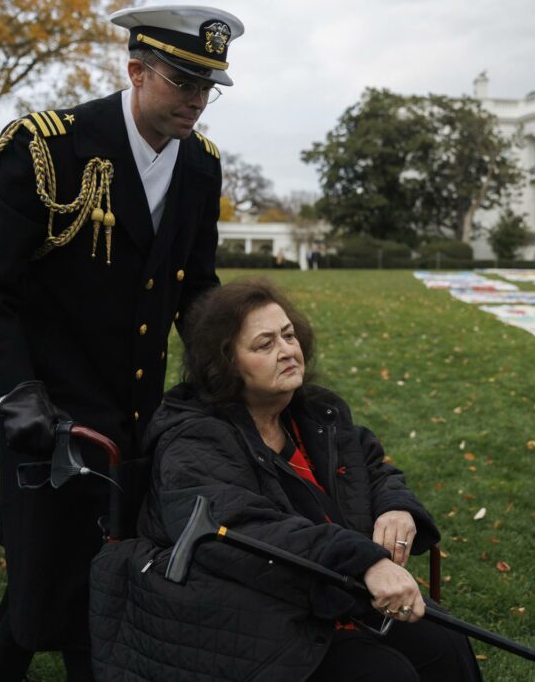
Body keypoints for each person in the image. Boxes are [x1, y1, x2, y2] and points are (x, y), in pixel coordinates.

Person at [0, 6, 244, 680]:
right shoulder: (47, 148)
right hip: (48, 411)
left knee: (97, 572)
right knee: (48, 572)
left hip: (140, 413)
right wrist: (14, 391)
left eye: (208, 87)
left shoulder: (200, 165)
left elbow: (196, 286)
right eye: (183, 82)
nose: (197, 100)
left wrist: (232, 369)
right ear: (135, 71)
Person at [90, 280, 482, 681]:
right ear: (225, 363)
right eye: (265, 344)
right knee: (383, 674)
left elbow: (371, 467)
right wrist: (361, 561)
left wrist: (395, 507)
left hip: (334, 590)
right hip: (247, 613)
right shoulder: (194, 438)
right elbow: (243, 531)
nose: (287, 351)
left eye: (289, 335)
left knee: (443, 641)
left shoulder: (315, 411)